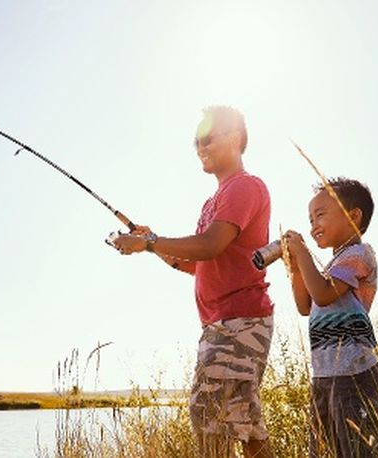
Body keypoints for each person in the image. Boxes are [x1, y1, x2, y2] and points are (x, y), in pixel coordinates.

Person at [112, 105, 274, 458]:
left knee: (207, 416)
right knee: (244, 422)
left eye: (207, 138)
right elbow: (199, 262)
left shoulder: (245, 187)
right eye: (195, 141)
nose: (199, 146)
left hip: (239, 321)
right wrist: (151, 243)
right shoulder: (213, 200)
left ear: (234, 138)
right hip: (221, 324)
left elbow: (210, 245)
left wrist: (150, 242)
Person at [282, 177, 378, 457]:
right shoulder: (331, 266)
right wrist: (296, 267)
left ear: (353, 216)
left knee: (357, 448)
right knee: (323, 450)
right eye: (310, 218)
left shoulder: (359, 254)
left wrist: (303, 253)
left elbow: (324, 294)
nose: (313, 225)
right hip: (324, 376)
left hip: (354, 373)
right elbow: (305, 305)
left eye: (321, 215)